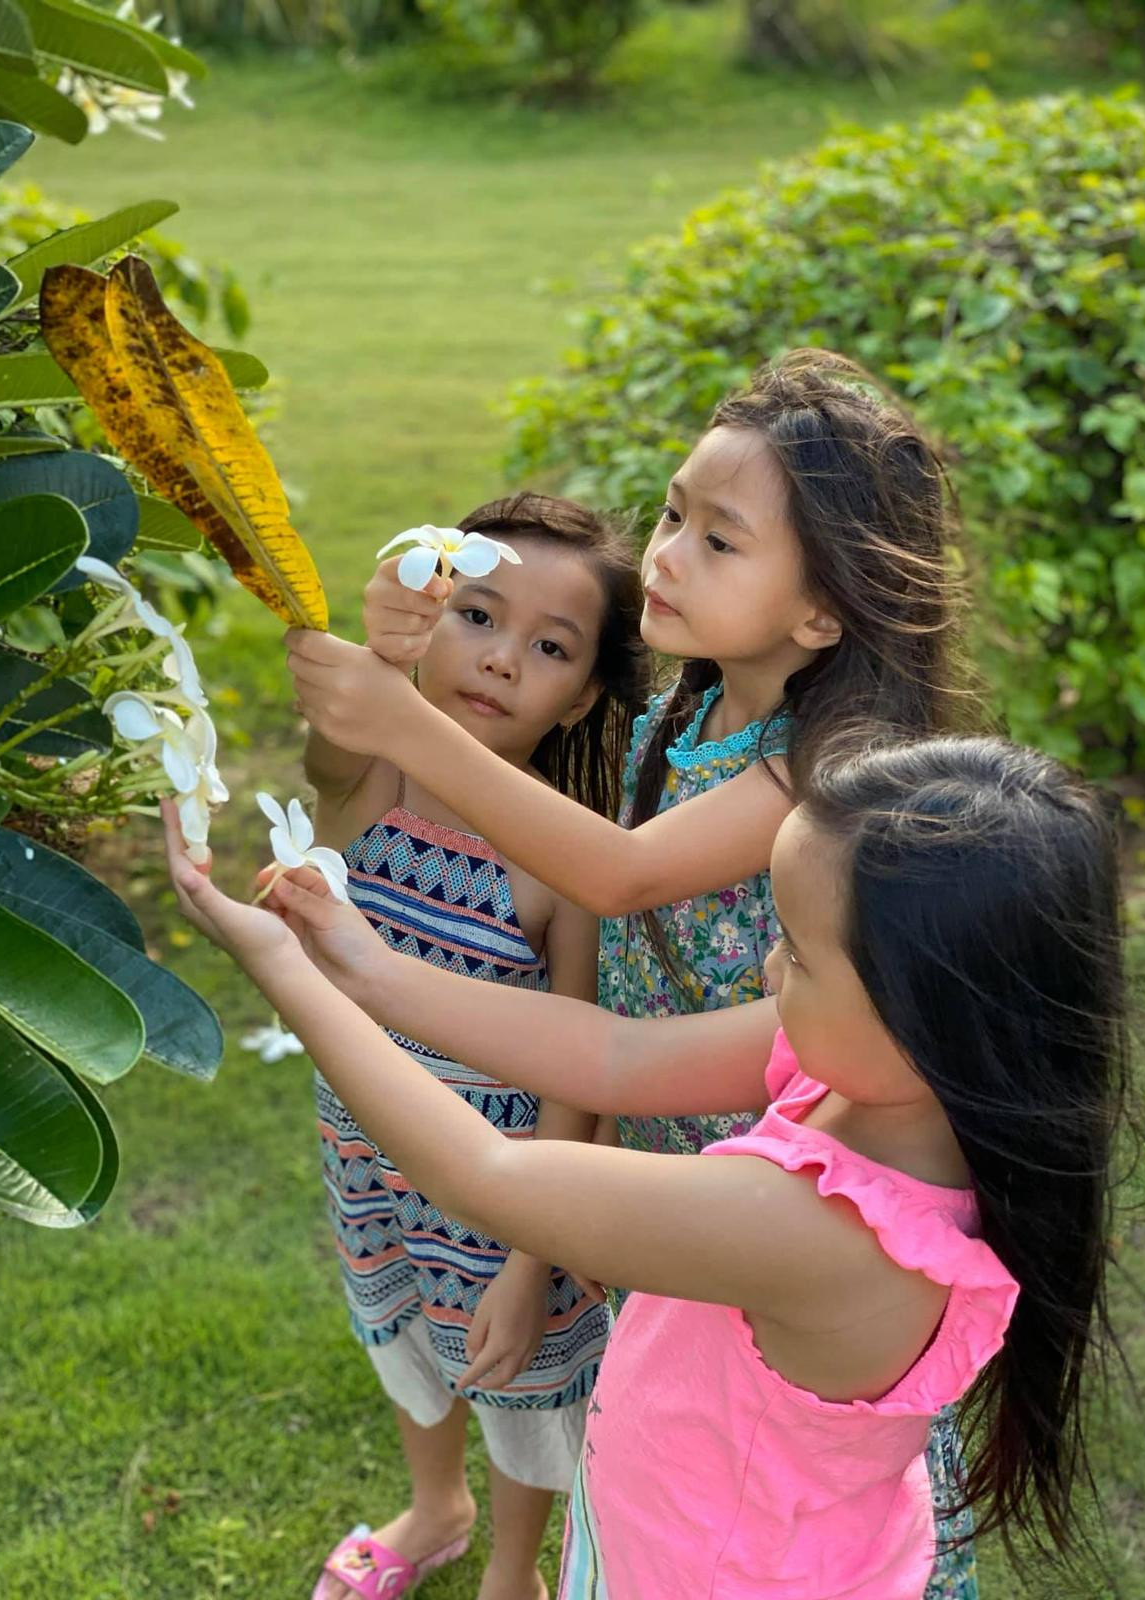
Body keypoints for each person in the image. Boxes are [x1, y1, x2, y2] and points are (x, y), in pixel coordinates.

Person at [289, 352, 979, 1590]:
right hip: (675, 1118)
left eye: (720, 541)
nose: (665, 554)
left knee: (768, 1464)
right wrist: (400, 663)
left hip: (783, 1173)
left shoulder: (828, 761)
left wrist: (404, 722)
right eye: (672, 515)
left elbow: (618, 877)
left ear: (821, 611)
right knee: (664, 1417)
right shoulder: (690, 707)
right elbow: (604, 986)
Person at [165, 730, 1129, 1597]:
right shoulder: (889, 1078)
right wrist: (363, 961)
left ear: (925, 1014)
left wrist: (286, 971)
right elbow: (613, 1057)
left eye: (794, 949)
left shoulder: (820, 1231)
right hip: (680, 1532)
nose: (767, 969)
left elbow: (488, 1178)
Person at [302, 493, 649, 1600]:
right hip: (363, 1148)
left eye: (548, 646)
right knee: (398, 1324)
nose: (500, 660)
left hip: (499, 1193)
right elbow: (332, 747)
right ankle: (434, 1504)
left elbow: (577, 1070)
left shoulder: (561, 859)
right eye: (479, 617)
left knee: (514, 1373)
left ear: (585, 691)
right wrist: (378, 652)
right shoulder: (378, 781)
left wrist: (529, 1257)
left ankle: (512, 1568)